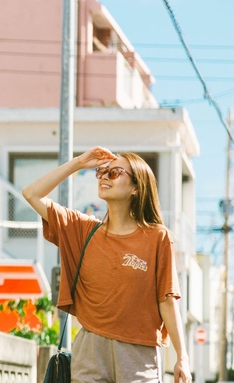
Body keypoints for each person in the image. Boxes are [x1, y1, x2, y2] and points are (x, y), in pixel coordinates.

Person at [22, 146, 191, 383]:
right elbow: (31, 194)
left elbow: (167, 300)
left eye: (114, 173)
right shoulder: (82, 230)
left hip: (138, 354)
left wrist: (182, 356)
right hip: (90, 351)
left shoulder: (158, 238)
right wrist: (79, 163)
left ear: (136, 187)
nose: (104, 177)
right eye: (101, 172)